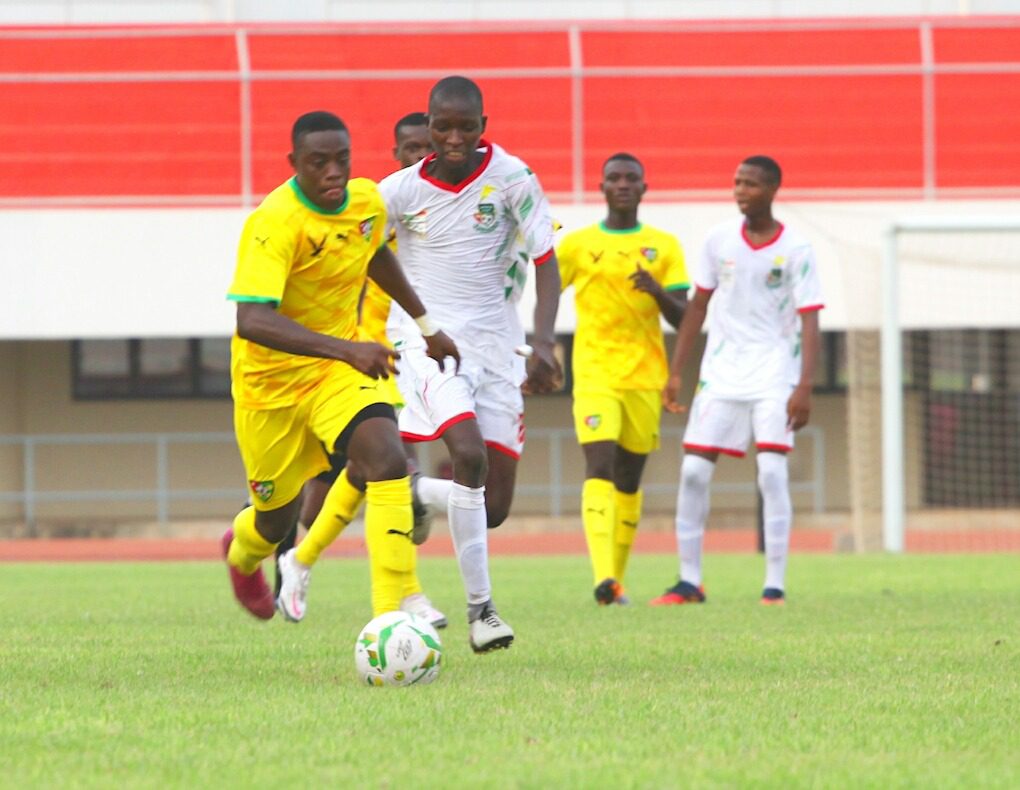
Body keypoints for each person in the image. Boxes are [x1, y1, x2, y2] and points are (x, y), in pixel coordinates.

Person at [298, 76, 562, 653]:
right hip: (427, 343)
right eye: (443, 126)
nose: (454, 137)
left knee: (492, 507)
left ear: (483, 127)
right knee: (466, 453)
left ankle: (412, 492)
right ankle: (483, 611)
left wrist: (543, 344)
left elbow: (546, 260)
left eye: (466, 126)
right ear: (429, 124)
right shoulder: (396, 191)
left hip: (497, 347)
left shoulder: (514, 178)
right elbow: (354, 240)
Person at [222, 110, 459, 624]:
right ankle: (240, 555)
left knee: (388, 460)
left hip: (334, 374)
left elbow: (373, 253)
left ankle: (389, 616)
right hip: (270, 389)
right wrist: (348, 349)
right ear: (294, 164)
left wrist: (425, 324)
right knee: (272, 522)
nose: (333, 172)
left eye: (342, 160)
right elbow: (251, 320)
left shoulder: (365, 201)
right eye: (318, 162)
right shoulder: (274, 223)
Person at [651, 155, 823, 607]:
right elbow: (698, 307)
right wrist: (675, 371)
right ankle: (689, 581)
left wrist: (803, 385)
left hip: (773, 372)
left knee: (771, 472)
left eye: (749, 184)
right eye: (736, 182)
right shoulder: (718, 240)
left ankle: (775, 585)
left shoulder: (797, 250)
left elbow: (810, 319)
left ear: (771, 190)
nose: (739, 190)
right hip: (721, 372)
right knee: (691, 473)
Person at [556, 152, 689, 606]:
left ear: (644, 188)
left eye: (632, 178)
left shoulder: (664, 246)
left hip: (644, 378)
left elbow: (685, 317)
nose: (624, 184)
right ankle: (603, 577)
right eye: (615, 177)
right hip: (594, 373)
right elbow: (543, 290)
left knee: (629, 479)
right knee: (598, 467)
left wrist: (656, 291)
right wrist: (539, 348)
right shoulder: (576, 245)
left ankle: (618, 581)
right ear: (603, 187)